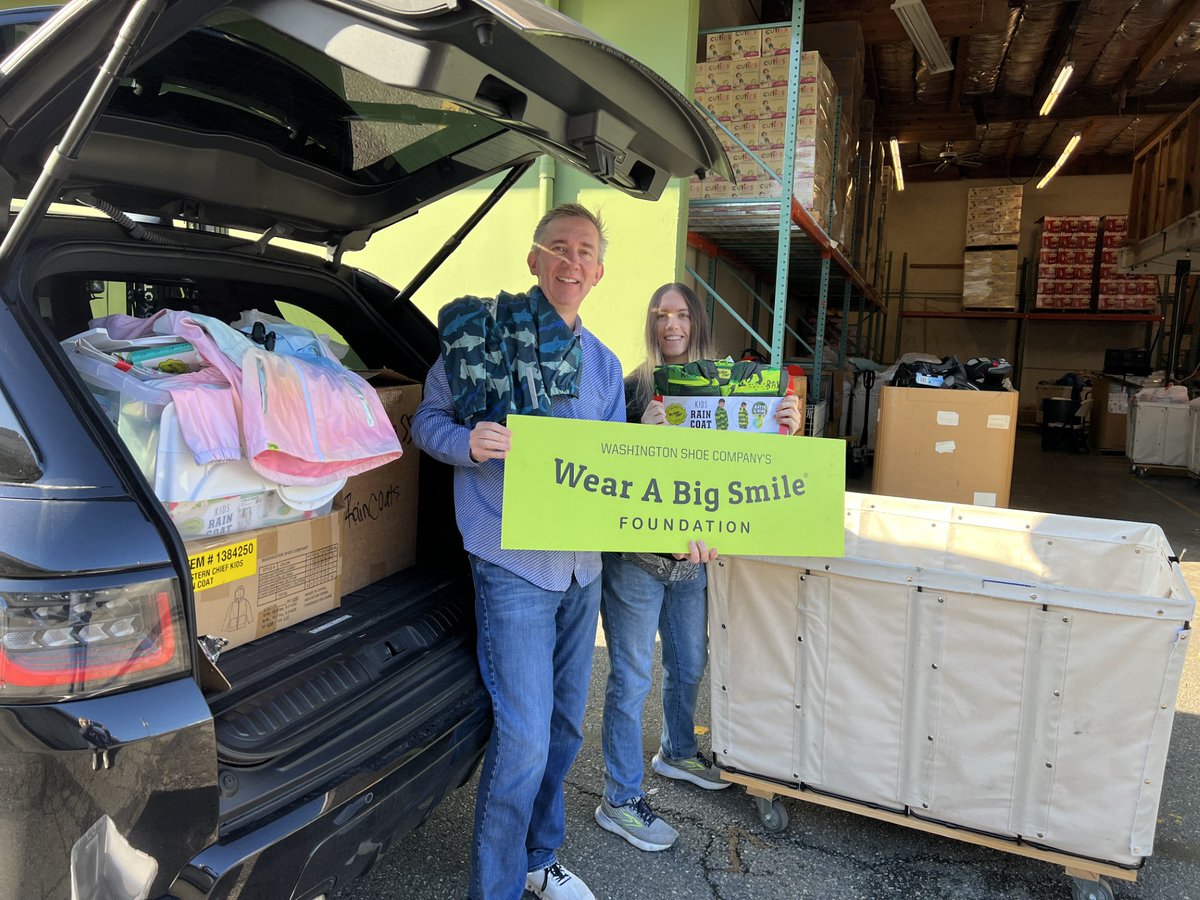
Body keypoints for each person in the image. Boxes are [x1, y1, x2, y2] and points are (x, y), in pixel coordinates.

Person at [412, 203, 622, 900]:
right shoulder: (483, 339)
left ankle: (539, 857)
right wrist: (464, 443)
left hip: (580, 568)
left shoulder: (606, 366)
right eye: (557, 247)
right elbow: (427, 421)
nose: (572, 261)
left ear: (598, 272)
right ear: (533, 260)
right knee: (526, 738)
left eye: (585, 251)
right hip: (513, 566)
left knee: (564, 728)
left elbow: (620, 472)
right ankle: (496, 889)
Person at [593, 282, 801, 852]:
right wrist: (636, 436)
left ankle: (678, 751)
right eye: (660, 314)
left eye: (681, 314)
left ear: (697, 323)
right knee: (631, 677)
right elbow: (599, 464)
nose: (671, 324)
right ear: (651, 323)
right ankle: (619, 797)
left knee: (689, 663)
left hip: (694, 561)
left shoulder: (731, 392)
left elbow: (756, 464)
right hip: (637, 561)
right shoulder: (631, 387)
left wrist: (785, 426)